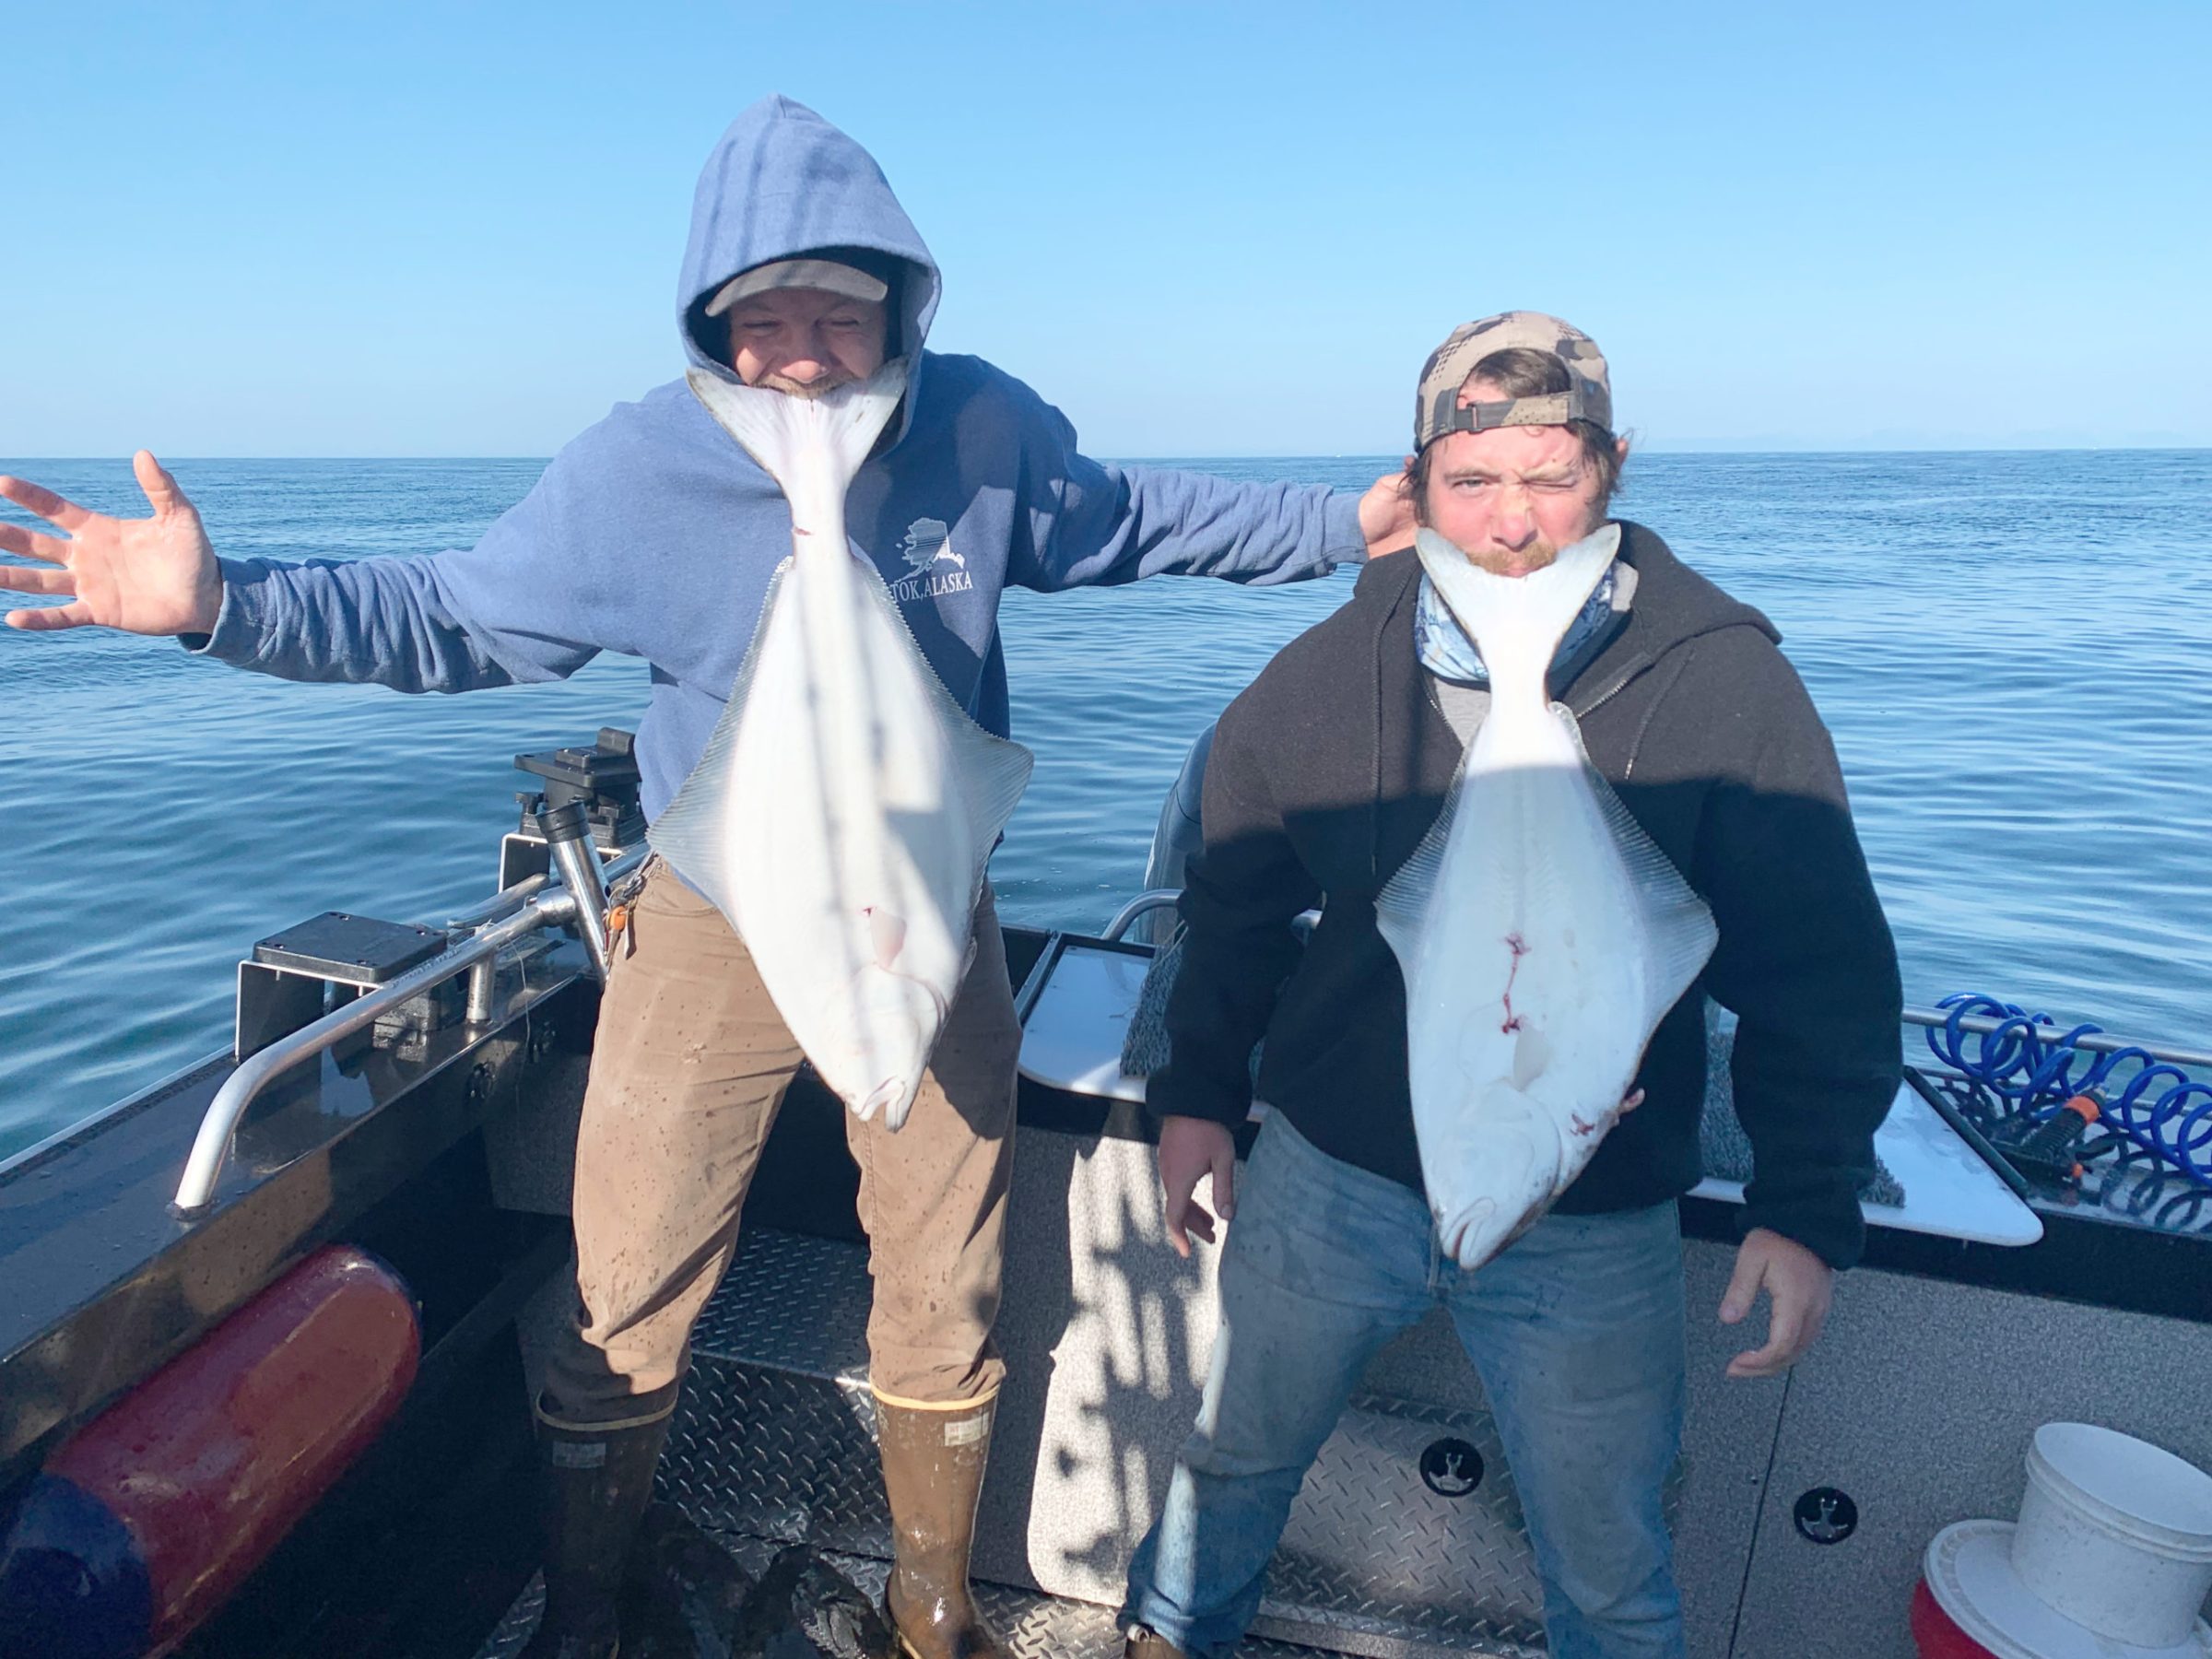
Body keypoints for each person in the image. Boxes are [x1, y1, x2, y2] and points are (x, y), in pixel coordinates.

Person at [0, 98, 1413, 1659]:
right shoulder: (639, 469)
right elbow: (455, 616)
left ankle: (933, 1607)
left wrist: (1347, 523)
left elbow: (1136, 516)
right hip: (714, 920)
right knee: (631, 1267)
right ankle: (591, 1602)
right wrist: (220, 607)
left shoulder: (980, 427)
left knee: (944, 1274)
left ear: (902, 310)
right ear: (713, 323)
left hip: (924, 906)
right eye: (767, 322)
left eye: (842, 317)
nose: (805, 354)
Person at [1119, 312, 1901, 1659]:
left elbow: (1820, 964)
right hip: (1334, 1179)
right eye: (1475, 481)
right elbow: (1233, 902)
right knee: (1229, 1465)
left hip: (1588, 1214)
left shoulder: (1725, 686)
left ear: (1610, 473)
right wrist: (1193, 1095)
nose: (1515, 520)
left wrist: (1805, 1203)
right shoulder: (1323, 678)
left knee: (1607, 1555)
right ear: (1418, 483)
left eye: (1553, 478)